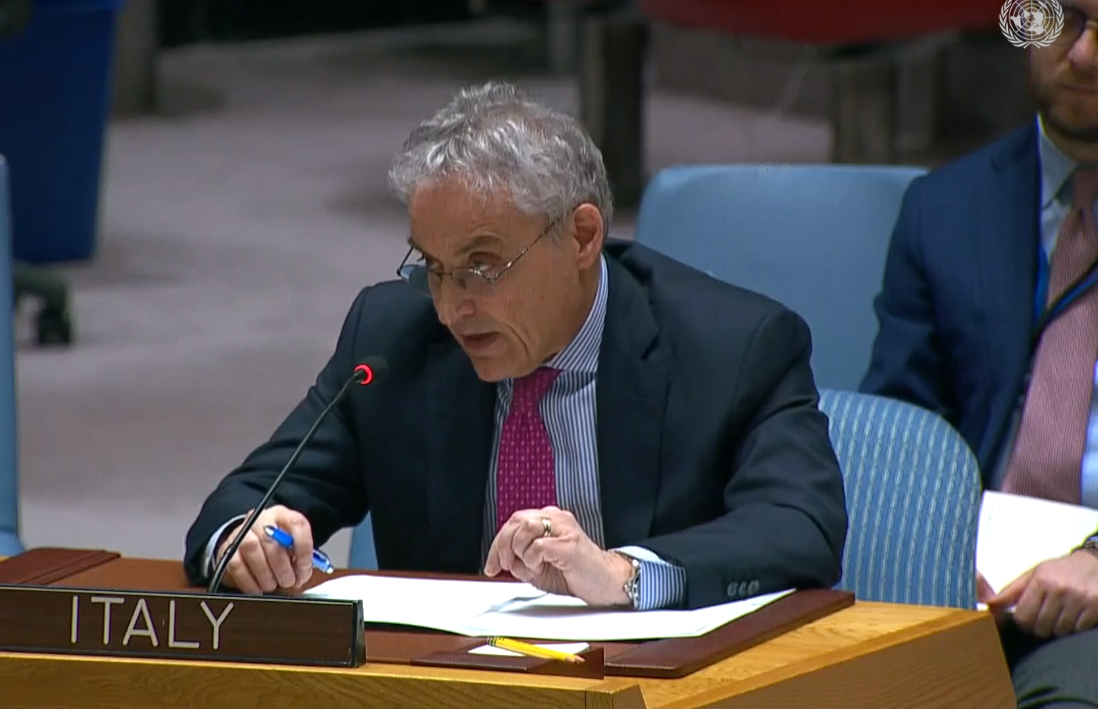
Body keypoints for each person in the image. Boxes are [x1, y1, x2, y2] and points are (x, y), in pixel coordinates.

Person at [184, 81, 848, 611]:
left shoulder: (732, 347)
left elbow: (799, 525)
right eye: (432, 267)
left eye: (481, 266)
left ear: (582, 237)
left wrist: (622, 573)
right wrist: (244, 539)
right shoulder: (392, 338)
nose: (451, 308)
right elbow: (243, 502)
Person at [860, 5, 1098, 706]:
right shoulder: (943, 209)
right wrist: (925, 552)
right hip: (964, 588)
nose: (1084, 56)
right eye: (1067, 20)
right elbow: (899, 424)